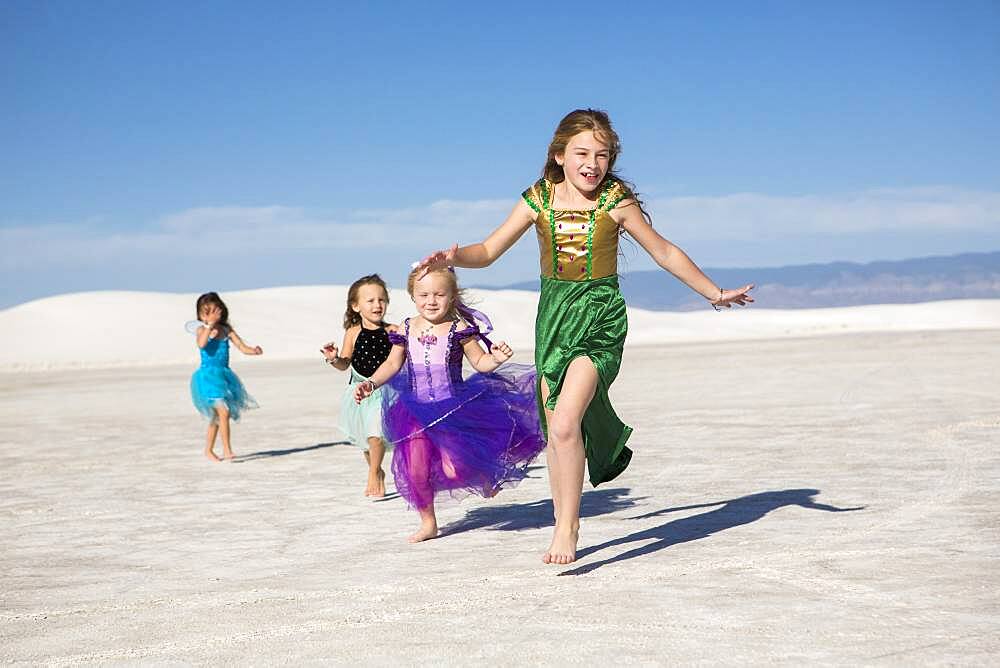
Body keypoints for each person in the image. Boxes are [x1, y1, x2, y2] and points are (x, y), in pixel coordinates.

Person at [415, 109, 754, 564]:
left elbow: (664, 250)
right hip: (554, 317)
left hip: (600, 316)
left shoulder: (615, 200)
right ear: (559, 155)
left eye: (602, 155)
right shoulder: (538, 200)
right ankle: (564, 518)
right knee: (557, 430)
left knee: (565, 420)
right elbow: (490, 250)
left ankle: (567, 528)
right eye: (582, 153)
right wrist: (456, 257)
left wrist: (714, 292)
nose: (592, 163)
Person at [355, 267, 545, 543]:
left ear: (452, 296)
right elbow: (392, 364)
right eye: (424, 295)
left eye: (439, 294)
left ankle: (482, 473)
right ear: (412, 295)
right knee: (416, 470)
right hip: (415, 411)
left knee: (453, 469)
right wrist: (371, 383)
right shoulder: (405, 328)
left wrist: (496, 359)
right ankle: (428, 522)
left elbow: (480, 362)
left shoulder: (460, 330)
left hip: (453, 409)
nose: (431, 301)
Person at [321, 274, 395, 497]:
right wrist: (334, 358)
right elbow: (345, 364)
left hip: (385, 392)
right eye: (370, 301)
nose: (377, 305)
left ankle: (372, 474)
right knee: (366, 442)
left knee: (376, 434)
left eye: (381, 300)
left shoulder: (394, 330)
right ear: (356, 306)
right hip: (358, 393)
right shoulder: (353, 333)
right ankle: (377, 470)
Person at [188, 292, 262, 461]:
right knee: (223, 411)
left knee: (216, 417)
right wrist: (208, 326)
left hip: (224, 376)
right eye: (206, 312)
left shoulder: (226, 330)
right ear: (200, 316)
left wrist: (254, 351)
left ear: (221, 311)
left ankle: (208, 450)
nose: (211, 315)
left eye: (214, 311)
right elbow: (201, 343)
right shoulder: (202, 330)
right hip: (207, 377)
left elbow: (242, 347)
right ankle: (227, 450)